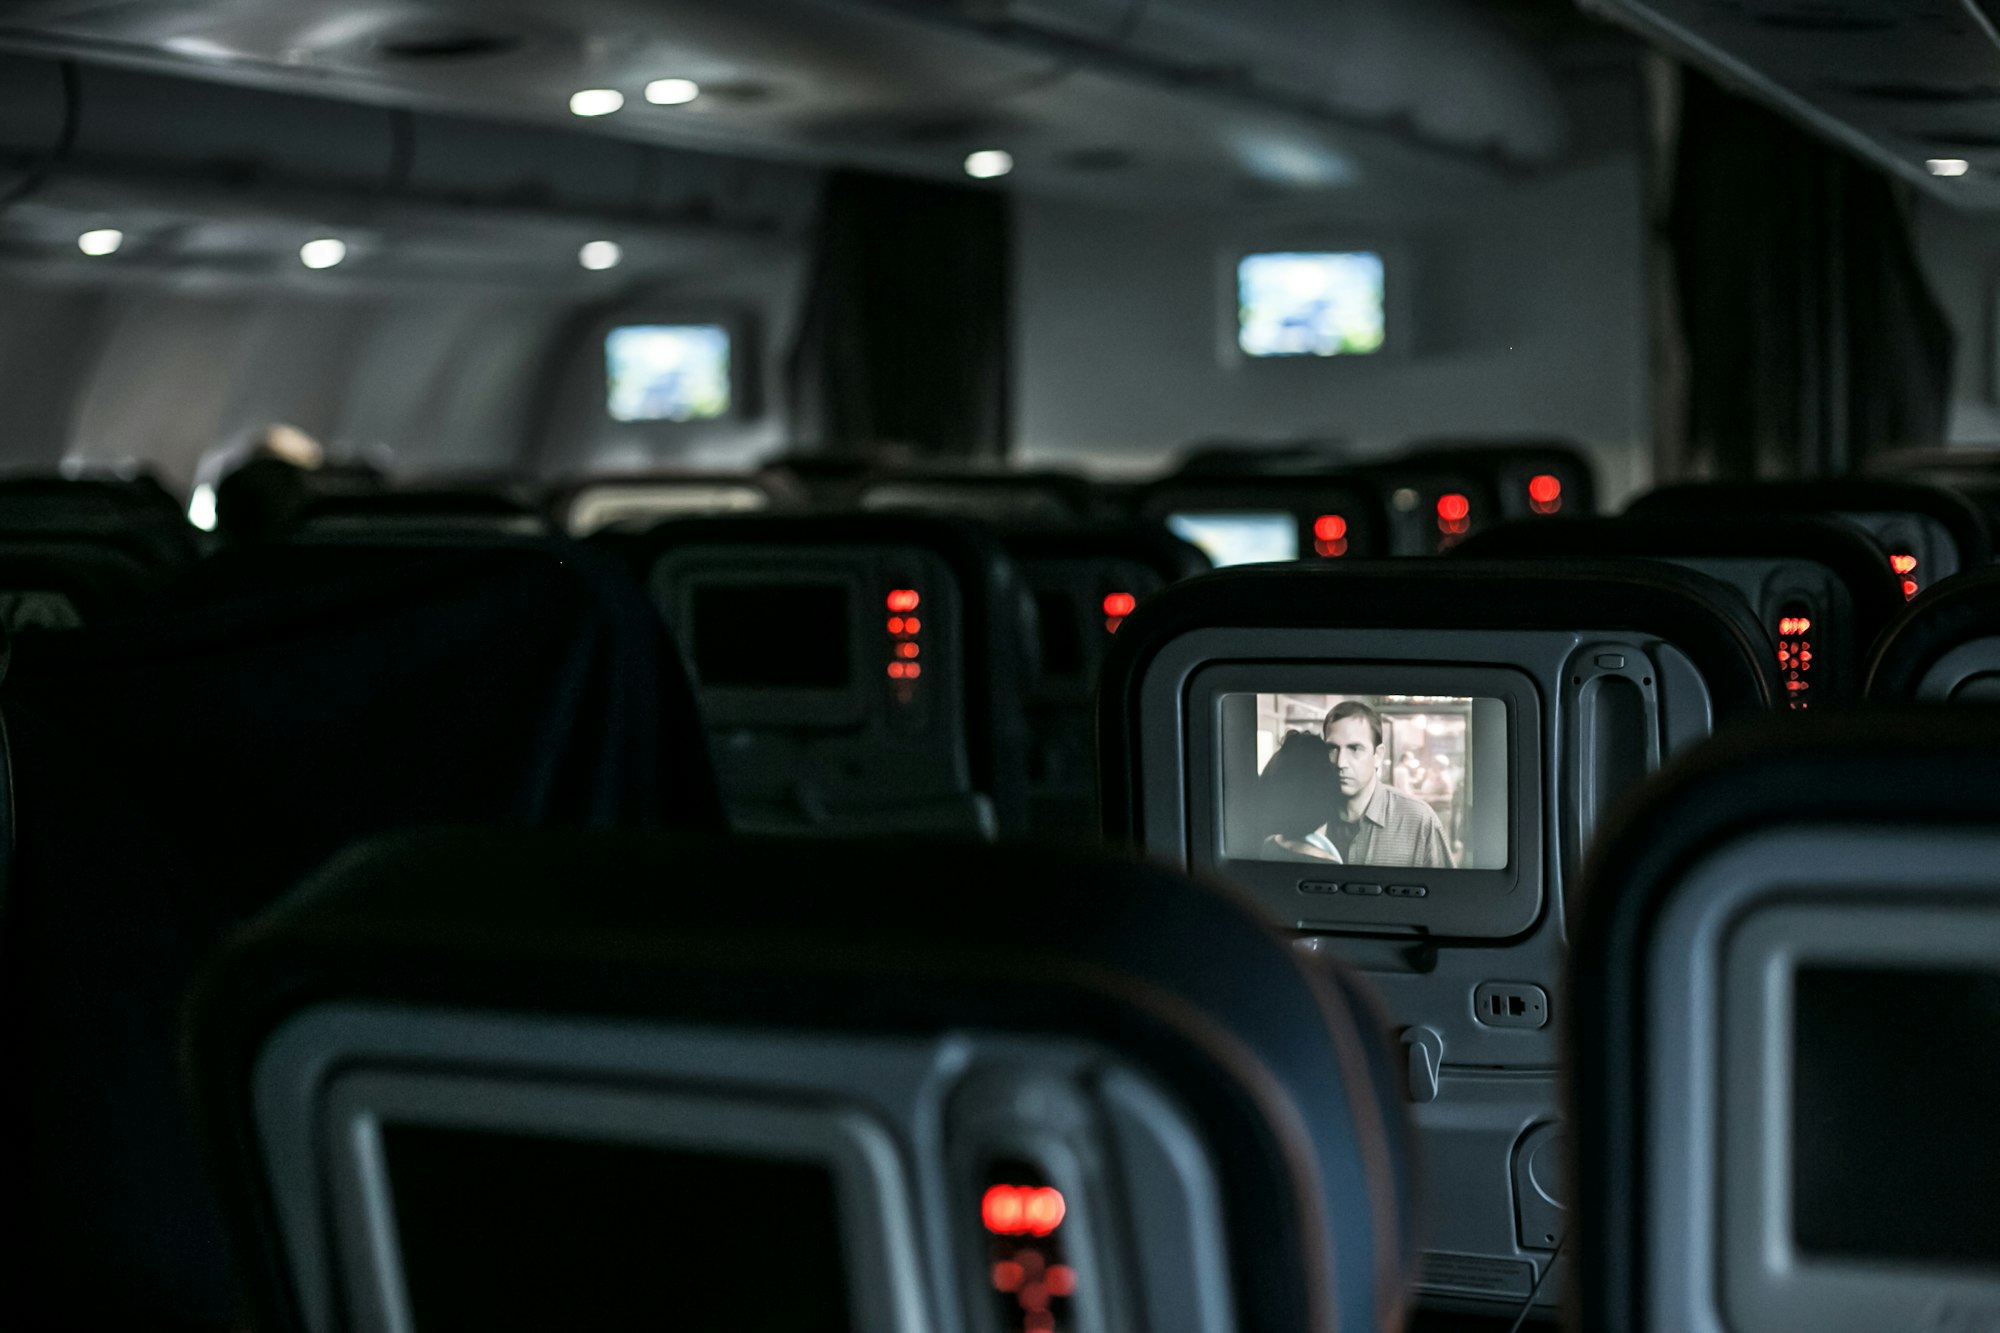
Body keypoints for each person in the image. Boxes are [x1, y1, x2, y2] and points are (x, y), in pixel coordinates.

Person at [1318, 700, 1454, 869]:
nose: (1341, 762)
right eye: (1332, 749)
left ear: (1378, 755)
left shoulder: (1418, 820)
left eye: (1354, 748)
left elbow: (1447, 891)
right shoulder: (1310, 815)